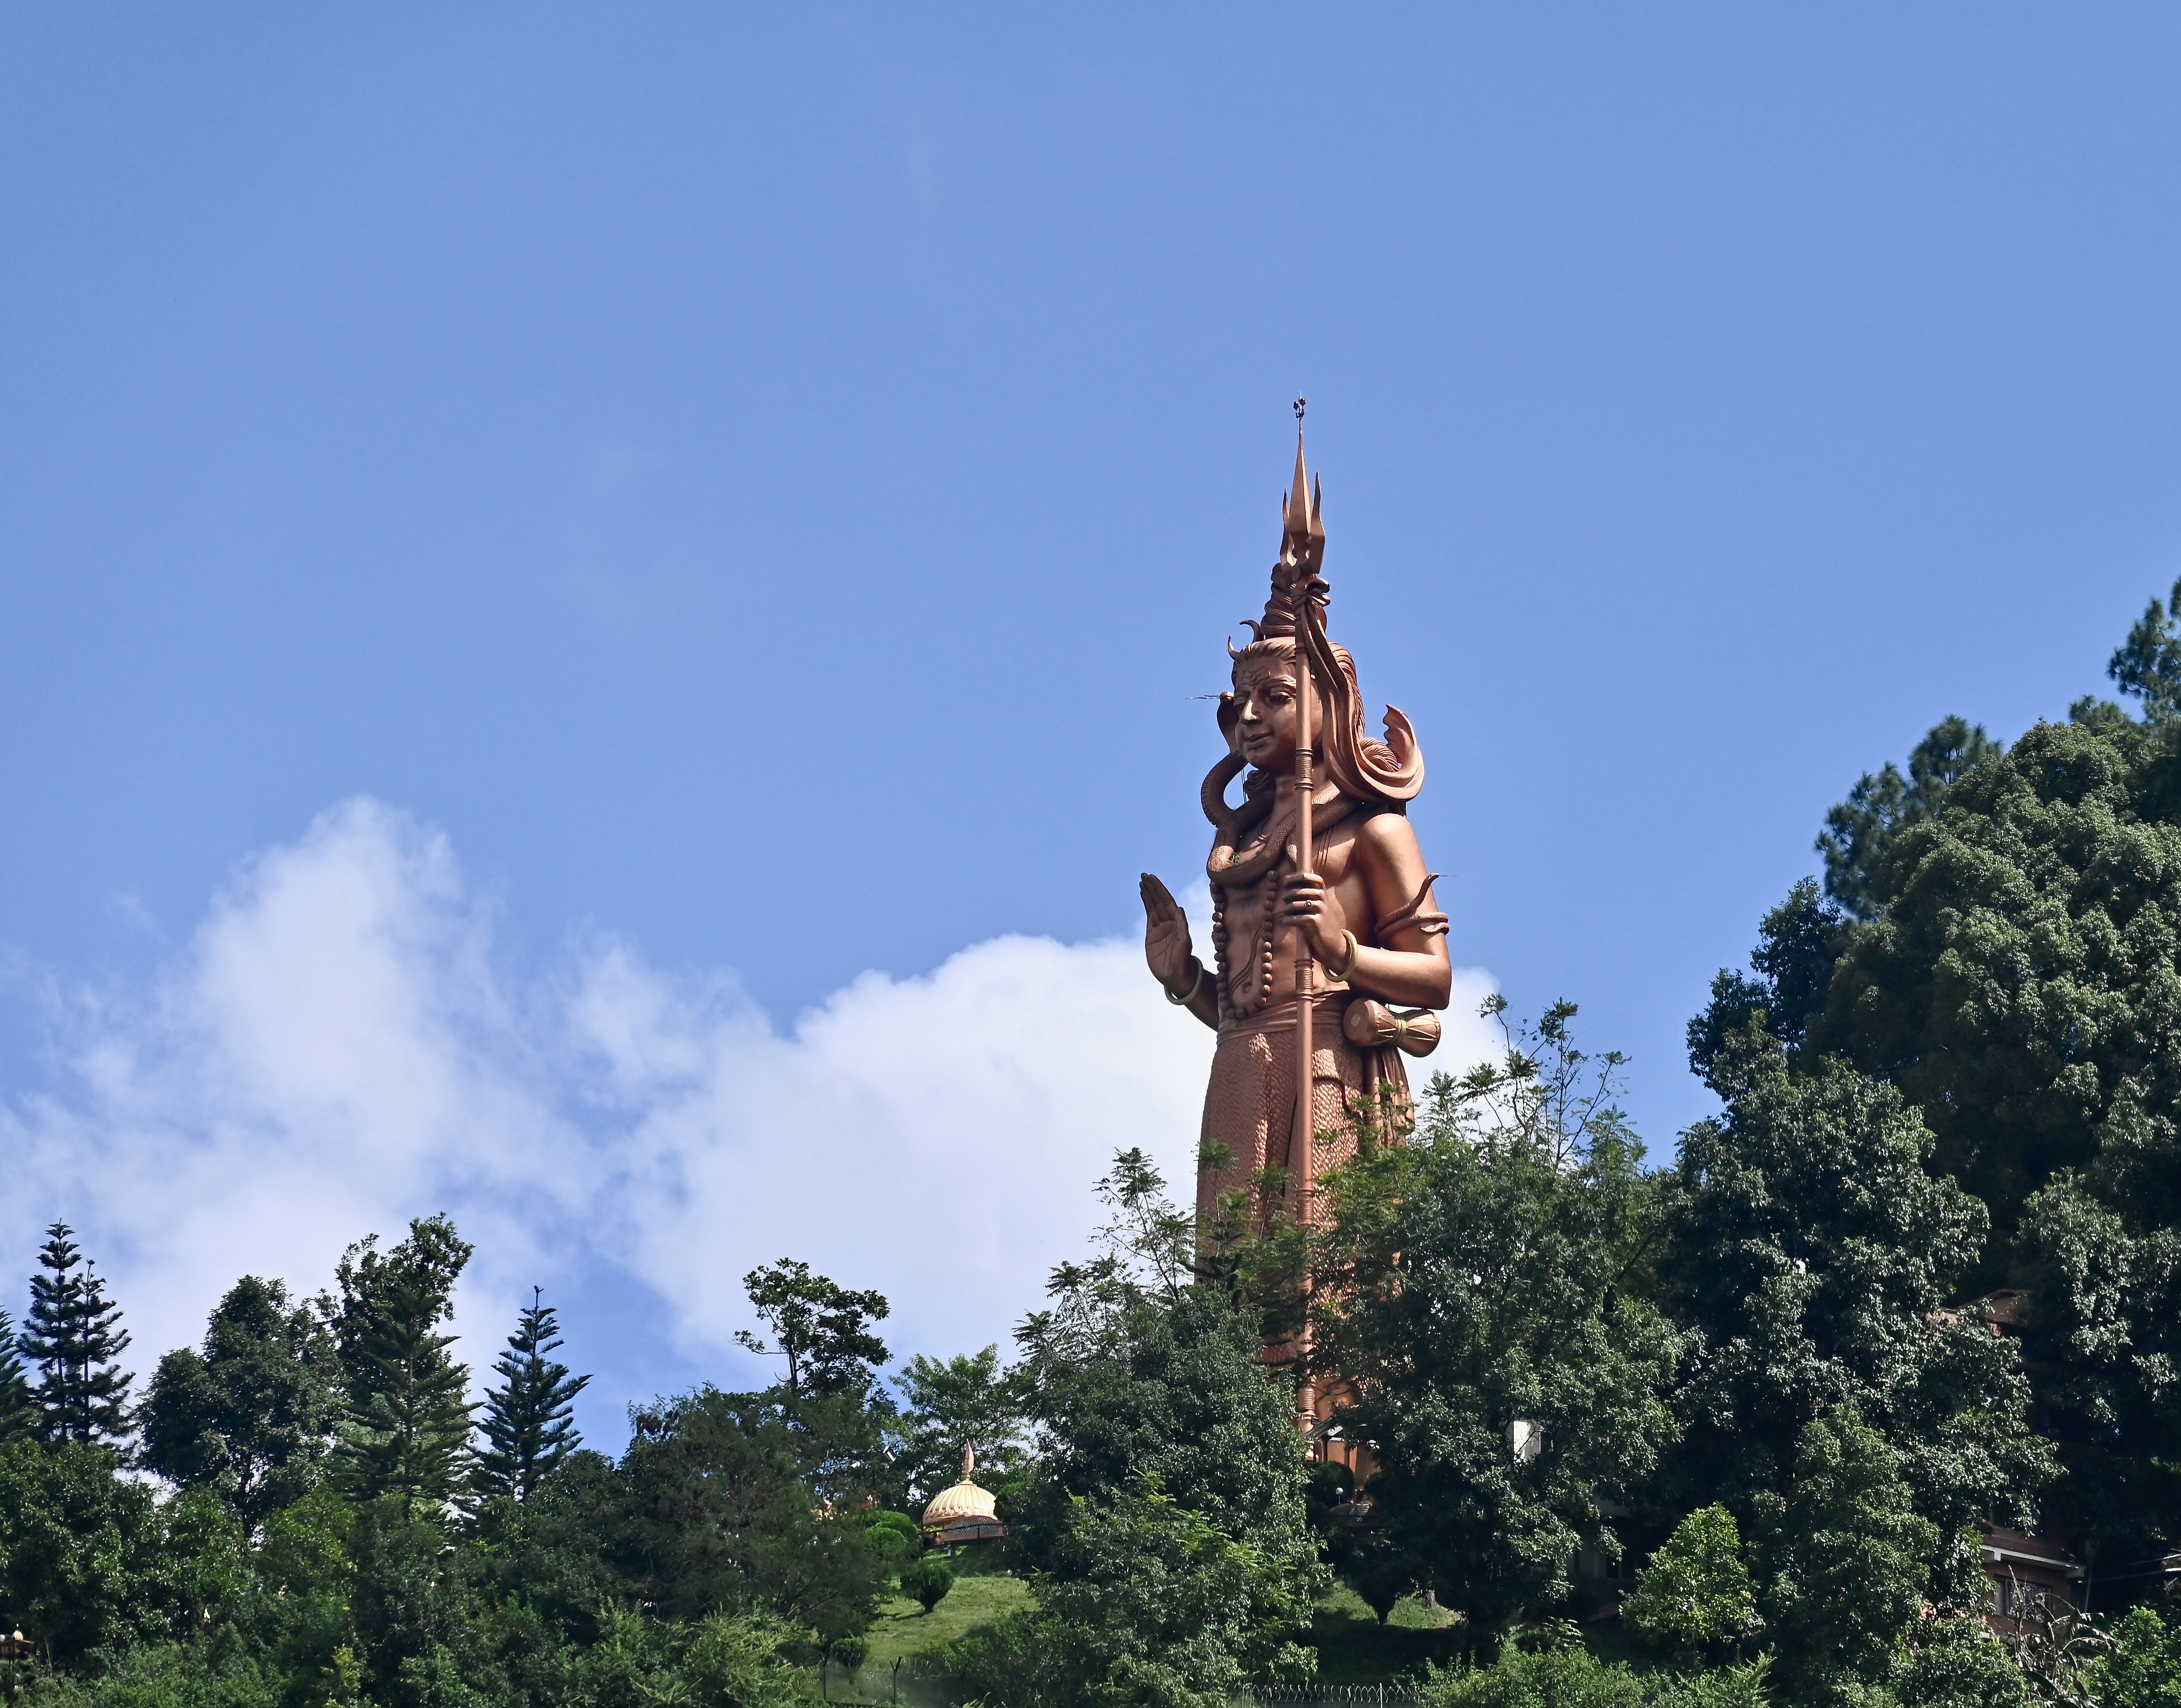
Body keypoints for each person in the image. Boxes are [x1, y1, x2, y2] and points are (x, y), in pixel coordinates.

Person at [1142, 437, 1450, 1237]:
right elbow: (1242, 1009)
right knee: (1231, 1283)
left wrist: (1344, 954)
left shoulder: (1372, 832)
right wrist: (1185, 983)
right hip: (1241, 1067)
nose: (1247, 716)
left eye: (1273, 697)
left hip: (1330, 1067)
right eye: (1240, 700)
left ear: (1326, 707)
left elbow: (1434, 979)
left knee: (1325, 1279)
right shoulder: (1242, 847)